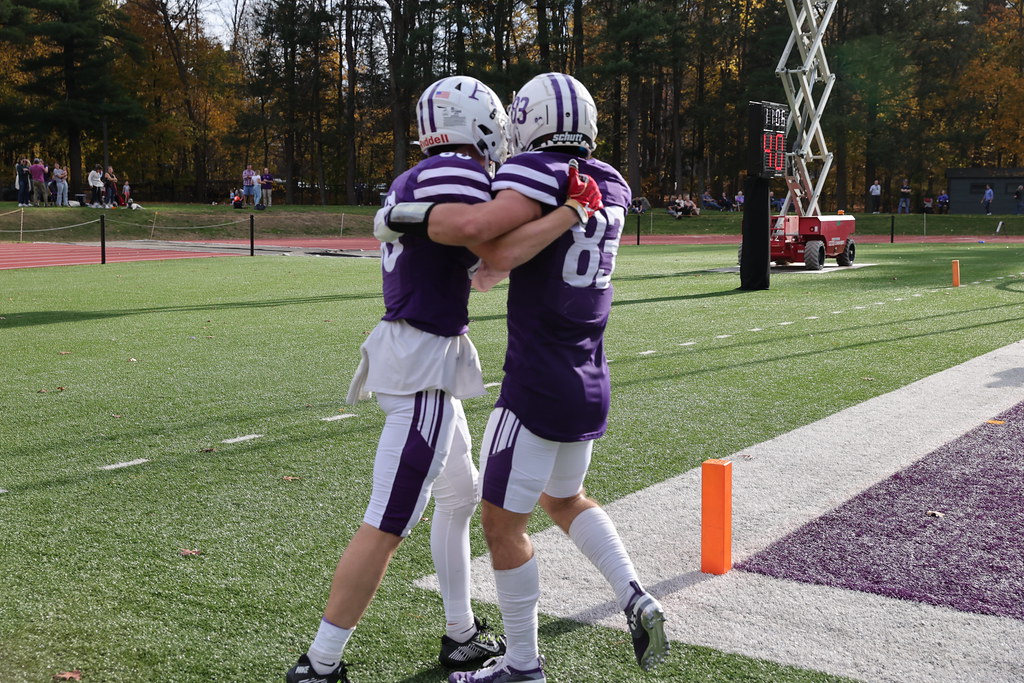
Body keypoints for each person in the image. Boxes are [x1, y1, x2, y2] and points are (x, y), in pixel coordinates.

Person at [285, 75, 597, 683]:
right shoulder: (456, 170)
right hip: (423, 364)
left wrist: (402, 211)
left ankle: (460, 633)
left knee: (458, 496)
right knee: (388, 517)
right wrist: (564, 211)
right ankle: (319, 664)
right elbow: (476, 231)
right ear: (482, 124)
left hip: (421, 353)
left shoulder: (419, 175)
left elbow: (462, 235)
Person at [383, 72, 669, 683]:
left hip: (537, 380)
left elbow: (492, 244)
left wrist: (408, 214)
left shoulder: (536, 171)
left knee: (500, 524)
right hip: (590, 372)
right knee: (563, 499)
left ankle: (522, 666)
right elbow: (535, 249)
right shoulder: (611, 184)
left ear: (530, 120)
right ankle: (635, 594)